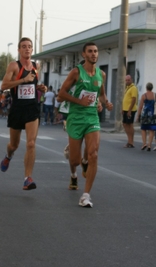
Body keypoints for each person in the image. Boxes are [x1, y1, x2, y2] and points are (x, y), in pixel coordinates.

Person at [58, 42, 113, 208]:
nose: (94, 54)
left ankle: (86, 195)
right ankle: (75, 169)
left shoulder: (101, 74)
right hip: (75, 118)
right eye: (90, 51)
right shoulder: (76, 72)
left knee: (94, 154)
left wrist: (106, 102)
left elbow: (101, 94)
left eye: (96, 51)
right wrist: (79, 101)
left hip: (91, 117)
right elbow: (61, 94)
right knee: (74, 160)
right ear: (84, 54)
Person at [0, 37, 47, 190]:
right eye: (24, 46)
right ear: (19, 50)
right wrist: (23, 80)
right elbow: (4, 85)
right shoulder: (14, 66)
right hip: (17, 109)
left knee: (31, 144)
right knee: (14, 145)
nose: (27, 49)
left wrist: (40, 87)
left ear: (32, 50)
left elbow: (32, 84)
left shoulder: (36, 66)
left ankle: (27, 178)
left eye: (29, 46)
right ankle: (8, 156)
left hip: (32, 108)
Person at [137, 82, 156, 151]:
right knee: (151, 130)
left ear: (146, 88)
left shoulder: (144, 96)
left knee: (143, 129)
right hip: (153, 114)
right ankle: (149, 145)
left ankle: (144, 143)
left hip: (145, 114)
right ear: (152, 88)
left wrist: (138, 115)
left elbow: (140, 106)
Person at [122, 75, 138, 148]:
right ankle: (129, 140)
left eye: (128, 80)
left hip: (130, 110)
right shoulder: (127, 88)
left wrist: (129, 110)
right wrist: (123, 108)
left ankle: (131, 142)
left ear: (131, 79)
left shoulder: (133, 88)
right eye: (126, 80)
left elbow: (133, 99)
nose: (127, 81)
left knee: (130, 124)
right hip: (125, 109)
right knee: (125, 124)